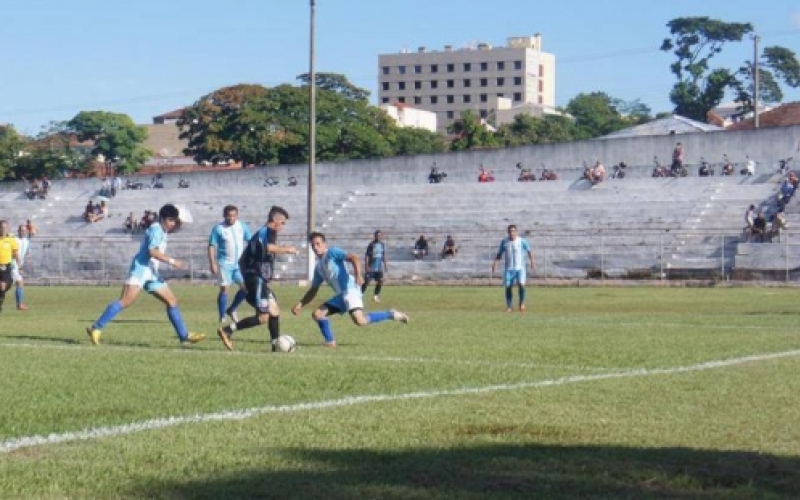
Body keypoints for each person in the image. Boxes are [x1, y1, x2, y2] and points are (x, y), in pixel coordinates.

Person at [85, 204, 205, 346]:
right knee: (125, 301)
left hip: (152, 272)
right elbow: (152, 252)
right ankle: (96, 328)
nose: (175, 225)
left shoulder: (162, 231)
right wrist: (173, 261)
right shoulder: (156, 230)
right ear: (166, 219)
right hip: (141, 270)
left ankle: (184, 336)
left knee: (172, 301)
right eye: (174, 221)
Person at [291, 231, 409, 348]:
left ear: (325, 245)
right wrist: (300, 305)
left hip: (350, 290)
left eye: (318, 244)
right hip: (341, 295)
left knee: (360, 321)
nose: (316, 247)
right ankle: (330, 341)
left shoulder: (332, 253)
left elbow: (354, 258)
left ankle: (390, 314)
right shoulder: (318, 268)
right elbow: (313, 290)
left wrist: (358, 275)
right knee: (317, 314)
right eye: (313, 245)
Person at [216, 206, 298, 352]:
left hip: (256, 278)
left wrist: (246, 276)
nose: (283, 227)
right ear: (275, 220)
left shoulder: (261, 233)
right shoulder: (268, 231)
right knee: (263, 317)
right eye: (283, 223)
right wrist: (287, 249)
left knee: (274, 311)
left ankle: (275, 345)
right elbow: (269, 248)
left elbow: (243, 259)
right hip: (256, 279)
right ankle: (227, 330)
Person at [208, 205, 253, 324]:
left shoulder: (242, 226)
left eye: (233, 215)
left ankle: (232, 309)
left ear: (237, 216)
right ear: (224, 216)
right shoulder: (218, 229)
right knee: (224, 289)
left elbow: (250, 241)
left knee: (246, 289)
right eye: (229, 215)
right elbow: (212, 246)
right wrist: (212, 262)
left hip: (239, 265)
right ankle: (222, 316)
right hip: (224, 264)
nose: (231, 218)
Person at [491, 225, 535, 313]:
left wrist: (532, 262)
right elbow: (499, 253)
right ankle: (509, 306)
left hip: (520, 268)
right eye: (510, 231)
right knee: (508, 287)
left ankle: (521, 303)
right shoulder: (504, 242)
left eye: (513, 231)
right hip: (509, 269)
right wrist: (495, 263)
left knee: (521, 284)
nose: (512, 233)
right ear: (508, 232)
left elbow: (529, 251)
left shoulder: (522, 241)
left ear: (516, 232)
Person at [0, 220, 21, 315]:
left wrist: (19, 264)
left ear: (7, 229)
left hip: (5, 266)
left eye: (5, 228)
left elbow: (16, 253)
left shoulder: (11, 240)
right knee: (2, 286)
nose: (3, 229)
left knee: (3, 286)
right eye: (1, 227)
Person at [362, 230, 387, 303]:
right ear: (375, 236)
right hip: (371, 266)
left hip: (379, 267)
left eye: (380, 235)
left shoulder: (382, 244)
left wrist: (385, 264)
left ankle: (375, 296)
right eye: (377, 235)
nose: (378, 237)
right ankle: (360, 294)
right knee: (367, 282)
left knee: (380, 281)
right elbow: (367, 255)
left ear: (381, 236)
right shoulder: (372, 244)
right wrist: (366, 265)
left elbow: (383, 254)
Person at [11, 224, 32, 310]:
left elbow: (27, 252)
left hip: (19, 265)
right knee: (19, 282)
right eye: (21, 230)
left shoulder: (27, 241)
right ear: (18, 231)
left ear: (26, 231)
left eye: (24, 231)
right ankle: (19, 305)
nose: (22, 232)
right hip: (13, 264)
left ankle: (19, 304)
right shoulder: (14, 240)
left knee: (8, 284)